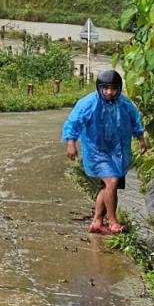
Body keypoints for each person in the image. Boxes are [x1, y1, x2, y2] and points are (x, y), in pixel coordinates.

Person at [62, 67, 147, 234]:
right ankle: (113, 221)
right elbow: (73, 122)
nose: (109, 92)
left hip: (118, 151)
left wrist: (141, 139)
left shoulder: (124, 103)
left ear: (119, 88)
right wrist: (71, 143)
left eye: (113, 88)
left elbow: (135, 121)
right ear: (99, 88)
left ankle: (97, 222)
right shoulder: (88, 103)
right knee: (112, 182)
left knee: (107, 185)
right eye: (105, 88)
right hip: (96, 151)